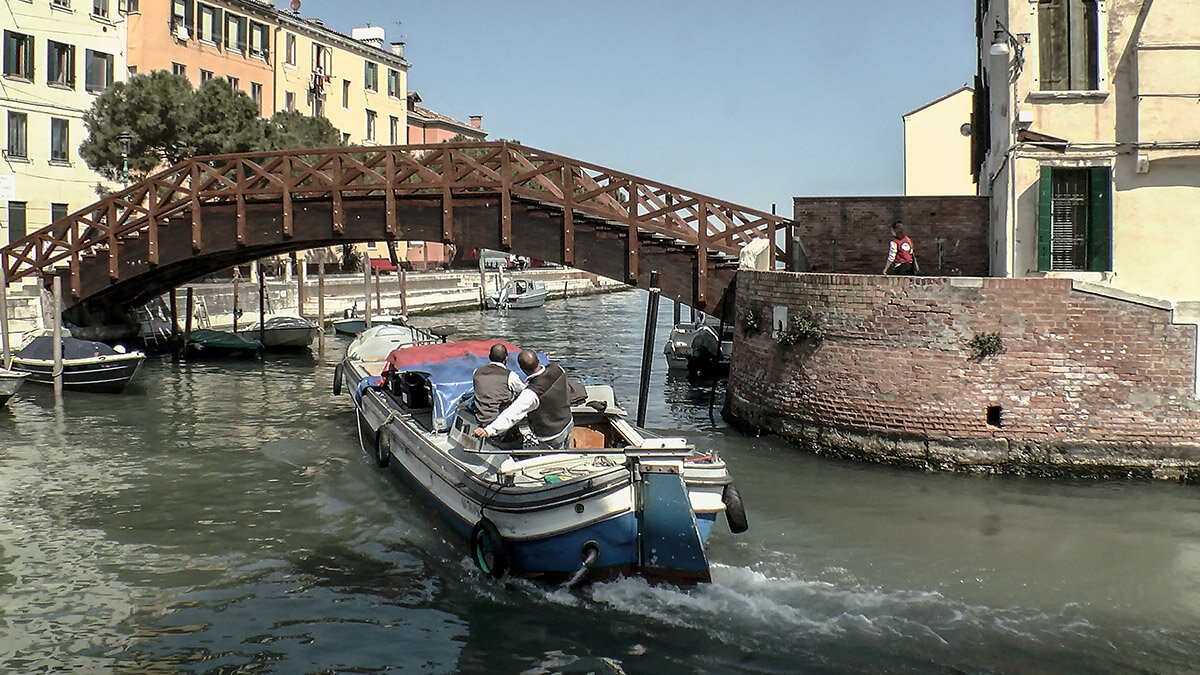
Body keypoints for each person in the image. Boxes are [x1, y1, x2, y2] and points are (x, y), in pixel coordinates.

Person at [472, 349, 574, 450]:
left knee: (552, 462)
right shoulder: (557, 369)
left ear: (522, 369)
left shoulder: (532, 393)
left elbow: (512, 415)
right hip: (567, 422)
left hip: (551, 435)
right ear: (538, 360)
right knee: (566, 448)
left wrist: (488, 431)